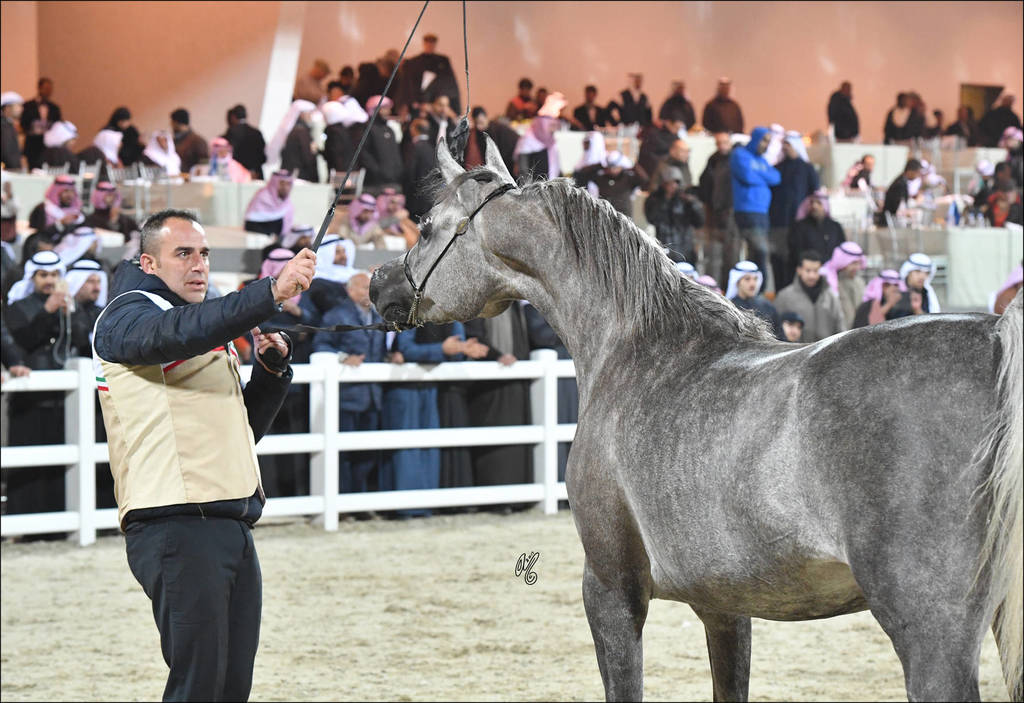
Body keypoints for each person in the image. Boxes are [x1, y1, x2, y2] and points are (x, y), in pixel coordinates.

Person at [90, 208, 316, 699]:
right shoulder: (125, 315)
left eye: (205, 253)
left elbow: (238, 431)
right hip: (176, 523)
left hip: (228, 522)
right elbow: (176, 332)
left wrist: (270, 372)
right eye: (183, 253)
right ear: (148, 263)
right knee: (199, 685)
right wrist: (269, 292)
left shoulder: (196, 324)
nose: (199, 264)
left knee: (230, 686)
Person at [3, 250, 74, 527]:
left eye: (54, 275)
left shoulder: (65, 306)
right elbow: (25, 339)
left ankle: (57, 528)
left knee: (58, 464)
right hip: (29, 398)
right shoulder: (18, 307)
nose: (49, 280)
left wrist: (69, 315)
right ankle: (24, 527)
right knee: (28, 466)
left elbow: (79, 340)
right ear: (32, 278)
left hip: (63, 398)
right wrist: (48, 311)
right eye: (43, 275)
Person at [382, 322, 469, 518]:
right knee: (406, 449)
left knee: (429, 448)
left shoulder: (451, 318)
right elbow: (406, 349)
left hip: (430, 388)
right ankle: (405, 507)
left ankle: (425, 505)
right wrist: (442, 349)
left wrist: (461, 349)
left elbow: (458, 350)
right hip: (405, 387)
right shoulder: (410, 314)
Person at [311, 271, 386, 497]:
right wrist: (343, 358)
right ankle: (342, 500)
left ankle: (359, 500)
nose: (369, 292)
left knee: (367, 452)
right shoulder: (336, 315)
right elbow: (321, 345)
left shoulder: (379, 316)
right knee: (342, 454)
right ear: (349, 290)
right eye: (364, 287)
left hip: (372, 396)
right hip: (346, 396)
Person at [463, 305, 533, 512]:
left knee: (517, 441)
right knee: (493, 445)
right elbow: (474, 337)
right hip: (489, 385)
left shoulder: (515, 306)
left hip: (516, 381)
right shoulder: (480, 305)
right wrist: (497, 356)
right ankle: (495, 500)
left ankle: (517, 498)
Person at [730, 126, 780, 291]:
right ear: (756, 138)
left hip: (762, 212)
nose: (766, 145)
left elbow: (776, 177)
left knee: (758, 253)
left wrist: (759, 176)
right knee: (760, 251)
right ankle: (757, 289)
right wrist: (764, 178)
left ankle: (755, 289)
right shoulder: (740, 154)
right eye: (764, 140)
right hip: (747, 211)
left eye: (768, 142)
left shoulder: (762, 160)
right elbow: (747, 176)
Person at [769, 131, 819, 291]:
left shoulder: (807, 169)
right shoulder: (776, 169)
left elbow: (814, 194)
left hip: (798, 225)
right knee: (778, 260)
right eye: (784, 145)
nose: (785, 148)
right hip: (777, 224)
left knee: (795, 260)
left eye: (788, 145)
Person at [772, 249, 846, 343]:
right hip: (796, 351)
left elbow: (840, 325)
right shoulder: (784, 297)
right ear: (799, 270)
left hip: (827, 350)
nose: (812, 276)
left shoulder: (830, 296)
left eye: (816, 271)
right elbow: (775, 328)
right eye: (808, 270)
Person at [643, 165, 705, 263]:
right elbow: (652, 218)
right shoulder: (654, 199)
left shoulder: (686, 200)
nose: (673, 186)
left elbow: (699, 222)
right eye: (670, 183)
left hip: (685, 250)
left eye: (676, 182)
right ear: (663, 184)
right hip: (664, 249)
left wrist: (693, 204)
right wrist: (665, 200)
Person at [697, 132, 736, 286]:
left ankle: (728, 286)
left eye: (724, 142)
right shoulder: (713, 160)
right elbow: (705, 184)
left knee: (730, 254)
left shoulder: (735, 160)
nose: (721, 146)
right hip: (714, 213)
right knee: (713, 254)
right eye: (718, 143)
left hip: (730, 211)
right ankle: (713, 286)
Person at [396, 33, 460, 116]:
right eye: (428, 44)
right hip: (417, 104)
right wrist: (413, 101)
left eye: (432, 44)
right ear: (424, 44)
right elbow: (408, 84)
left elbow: (448, 83)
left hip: (435, 104)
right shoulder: (414, 62)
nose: (430, 46)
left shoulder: (442, 62)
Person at [573, 150, 647, 218]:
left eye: (615, 167)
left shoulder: (628, 178)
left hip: (625, 217)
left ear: (621, 166)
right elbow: (581, 175)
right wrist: (600, 165)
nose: (611, 170)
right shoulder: (602, 178)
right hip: (605, 217)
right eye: (609, 167)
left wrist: (634, 167)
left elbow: (644, 180)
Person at [514, 93, 566, 179]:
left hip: (540, 157)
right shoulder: (541, 121)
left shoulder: (550, 145)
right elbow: (543, 136)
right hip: (530, 156)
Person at [358, 95, 404, 193]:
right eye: (385, 108)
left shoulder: (390, 130)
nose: (389, 111)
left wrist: (398, 171)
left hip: (394, 182)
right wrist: (377, 171)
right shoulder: (367, 129)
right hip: (374, 185)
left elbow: (396, 154)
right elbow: (364, 154)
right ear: (374, 109)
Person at [788, 189, 846, 265]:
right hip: (809, 269)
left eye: (819, 203)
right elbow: (796, 252)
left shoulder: (835, 226)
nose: (814, 206)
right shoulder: (799, 227)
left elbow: (841, 249)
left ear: (825, 205)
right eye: (812, 202)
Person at [726, 260, 781, 339]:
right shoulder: (730, 308)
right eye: (747, 279)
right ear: (737, 282)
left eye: (755, 279)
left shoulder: (767, 307)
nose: (752, 284)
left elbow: (780, 336)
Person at [819, 241, 866, 329]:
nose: (857, 267)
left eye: (858, 263)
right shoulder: (830, 282)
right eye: (853, 263)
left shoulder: (860, 282)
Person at [85, 181, 140, 253]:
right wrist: (113, 221)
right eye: (108, 195)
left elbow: (129, 237)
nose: (112, 198)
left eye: (113, 196)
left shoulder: (122, 218)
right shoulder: (91, 220)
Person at [20, 77, 62, 170]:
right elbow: (23, 124)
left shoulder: (54, 108)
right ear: (39, 88)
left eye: (50, 89)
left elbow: (58, 125)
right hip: (32, 145)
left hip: (48, 147)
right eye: (46, 88)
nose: (48, 91)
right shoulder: (28, 105)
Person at [888, 252, 940, 319]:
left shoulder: (926, 293)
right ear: (908, 272)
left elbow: (931, 321)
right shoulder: (895, 290)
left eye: (926, 273)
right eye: (917, 271)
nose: (922, 276)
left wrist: (917, 309)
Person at [275, 100, 318, 182]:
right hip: (301, 177)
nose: (311, 117)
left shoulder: (293, 131)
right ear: (302, 114)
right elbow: (308, 157)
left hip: (290, 174)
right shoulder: (302, 132)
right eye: (309, 113)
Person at [637, 108, 686, 179]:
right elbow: (648, 158)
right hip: (654, 172)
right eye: (676, 127)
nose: (677, 130)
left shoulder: (675, 136)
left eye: (679, 128)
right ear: (668, 123)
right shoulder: (653, 134)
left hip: (667, 170)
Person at [244, 170, 294, 237]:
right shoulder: (262, 197)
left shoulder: (287, 204)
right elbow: (250, 225)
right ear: (274, 183)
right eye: (282, 184)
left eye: (288, 184)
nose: (285, 187)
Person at [404, 118, 436, 220]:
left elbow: (410, 173)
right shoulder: (433, 148)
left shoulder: (414, 147)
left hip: (416, 201)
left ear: (414, 129)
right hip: (431, 199)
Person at [223, 104, 267, 180]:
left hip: (238, 174)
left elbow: (229, 154)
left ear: (233, 117)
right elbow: (263, 157)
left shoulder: (232, 131)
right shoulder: (257, 133)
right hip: (255, 174)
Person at [169, 108, 209, 174]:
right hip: (175, 177)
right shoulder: (173, 141)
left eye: (172, 122)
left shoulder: (198, 141)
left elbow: (204, 165)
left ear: (177, 122)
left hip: (191, 178)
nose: (171, 125)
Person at [1, 91, 24, 169]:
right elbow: (7, 153)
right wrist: (16, 169)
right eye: (18, 105)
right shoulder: (4, 126)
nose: (21, 109)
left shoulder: (8, 124)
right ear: (8, 108)